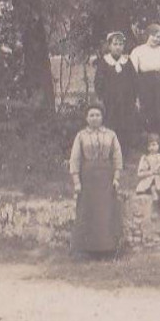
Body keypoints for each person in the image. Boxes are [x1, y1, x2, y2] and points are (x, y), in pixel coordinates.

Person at [69, 105, 123, 257]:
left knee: (106, 212)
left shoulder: (111, 135)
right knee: (87, 211)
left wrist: (116, 178)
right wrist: (76, 181)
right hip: (88, 179)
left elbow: (117, 157)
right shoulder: (81, 136)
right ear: (86, 118)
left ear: (102, 117)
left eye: (97, 115)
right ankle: (85, 251)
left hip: (106, 178)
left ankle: (109, 250)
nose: (94, 118)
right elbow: (75, 159)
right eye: (91, 115)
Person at [130, 23, 160, 141]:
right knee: (148, 115)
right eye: (153, 35)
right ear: (147, 35)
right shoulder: (138, 51)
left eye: (158, 37)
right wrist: (135, 91)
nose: (156, 39)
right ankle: (149, 142)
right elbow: (133, 72)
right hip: (145, 86)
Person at [94, 31, 138, 154]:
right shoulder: (104, 62)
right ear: (109, 46)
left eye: (120, 44)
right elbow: (99, 81)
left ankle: (125, 152)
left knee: (126, 125)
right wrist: (101, 96)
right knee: (112, 124)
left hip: (126, 100)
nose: (118, 47)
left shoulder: (127, 62)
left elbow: (134, 80)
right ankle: (111, 152)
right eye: (115, 44)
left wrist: (134, 97)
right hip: (111, 101)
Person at [135, 133, 160, 206]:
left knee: (156, 184)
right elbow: (140, 174)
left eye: (154, 145)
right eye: (149, 146)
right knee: (154, 184)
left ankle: (157, 198)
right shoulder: (146, 158)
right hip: (148, 183)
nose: (151, 147)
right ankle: (159, 199)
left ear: (159, 145)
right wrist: (151, 172)